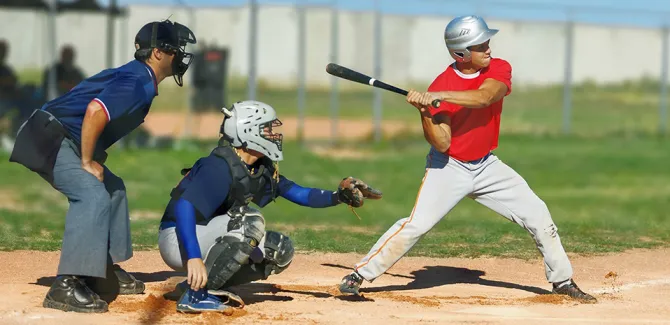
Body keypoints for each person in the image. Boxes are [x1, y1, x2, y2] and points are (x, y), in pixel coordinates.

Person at [337, 15, 597, 303]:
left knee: (538, 214)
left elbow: (486, 97)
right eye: (480, 44)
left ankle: (562, 281)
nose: (488, 47)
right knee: (416, 224)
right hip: (449, 167)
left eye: (487, 41)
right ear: (460, 54)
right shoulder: (442, 82)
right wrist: (424, 110)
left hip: (487, 165)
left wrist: (440, 96)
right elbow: (443, 142)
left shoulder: (497, 68)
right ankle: (359, 275)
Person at [8, 19, 197, 313]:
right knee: (92, 195)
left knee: (113, 189)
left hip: (59, 135)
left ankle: (102, 269)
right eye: (175, 49)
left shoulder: (140, 77)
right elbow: (96, 110)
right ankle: (65, 286)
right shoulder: (138, 81)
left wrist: (93, 153)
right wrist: (86, 161)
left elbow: (95, 113)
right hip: (48, 138)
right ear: (158, 53)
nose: (181, 55)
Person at [157, 100, 382, 313]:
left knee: (278, 250)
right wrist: (194, 257)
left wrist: (338, 196)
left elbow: (299, 193)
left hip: (206, 233)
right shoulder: (218, 166)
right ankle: (196, 296)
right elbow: (184, 207)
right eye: (266, 130)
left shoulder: (257, 168)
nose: (273, 135)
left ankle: (196, 285)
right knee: (250, 221)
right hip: (179, 238)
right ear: (248, 132)